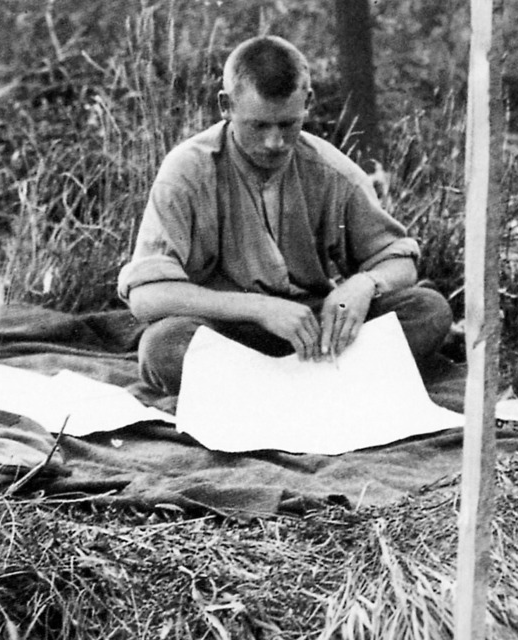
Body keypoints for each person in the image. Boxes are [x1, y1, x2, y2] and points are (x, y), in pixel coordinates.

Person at [118, 34, 452, 395]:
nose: (274, 143)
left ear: (307, 102)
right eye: (258, 125)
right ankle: (327, 387)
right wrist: (260, 308)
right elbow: (146, 297)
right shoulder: (186, 171)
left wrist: (362, 284)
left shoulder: (332, 171)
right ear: (225, 105)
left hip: (315, 328)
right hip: (227, 326)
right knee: (163, 348)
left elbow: (399, 262)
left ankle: (265, 392)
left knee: (429, 310)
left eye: (288, 124)